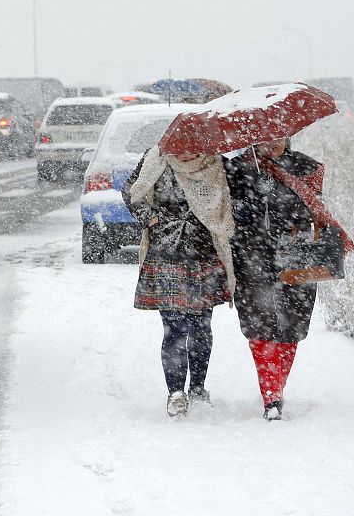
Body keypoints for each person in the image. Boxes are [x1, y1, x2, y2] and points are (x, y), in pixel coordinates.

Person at [224, 138, 340, 420]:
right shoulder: (237, 169)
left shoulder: (305, 167)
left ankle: (277, 385)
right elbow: (228, 213)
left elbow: (313, 211)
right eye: (264, 136)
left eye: (278, 134)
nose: (272, 141)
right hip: (251, 258)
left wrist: (278, 201)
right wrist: (253, 196)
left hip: (295, 256)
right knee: (259, 326)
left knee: (291, 327)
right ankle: (271, 396)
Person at [123, 146, 236, 418]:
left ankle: (198, 388)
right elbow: (130, 190)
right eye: (181, 146)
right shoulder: (155, 160)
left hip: (205, 255)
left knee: (200, 327)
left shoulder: (219, 165)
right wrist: (148, 218)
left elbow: (237, 198)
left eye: (192, 146)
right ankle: (175, 393)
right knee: (173, 329)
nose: (185, 153)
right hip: (166, 255)